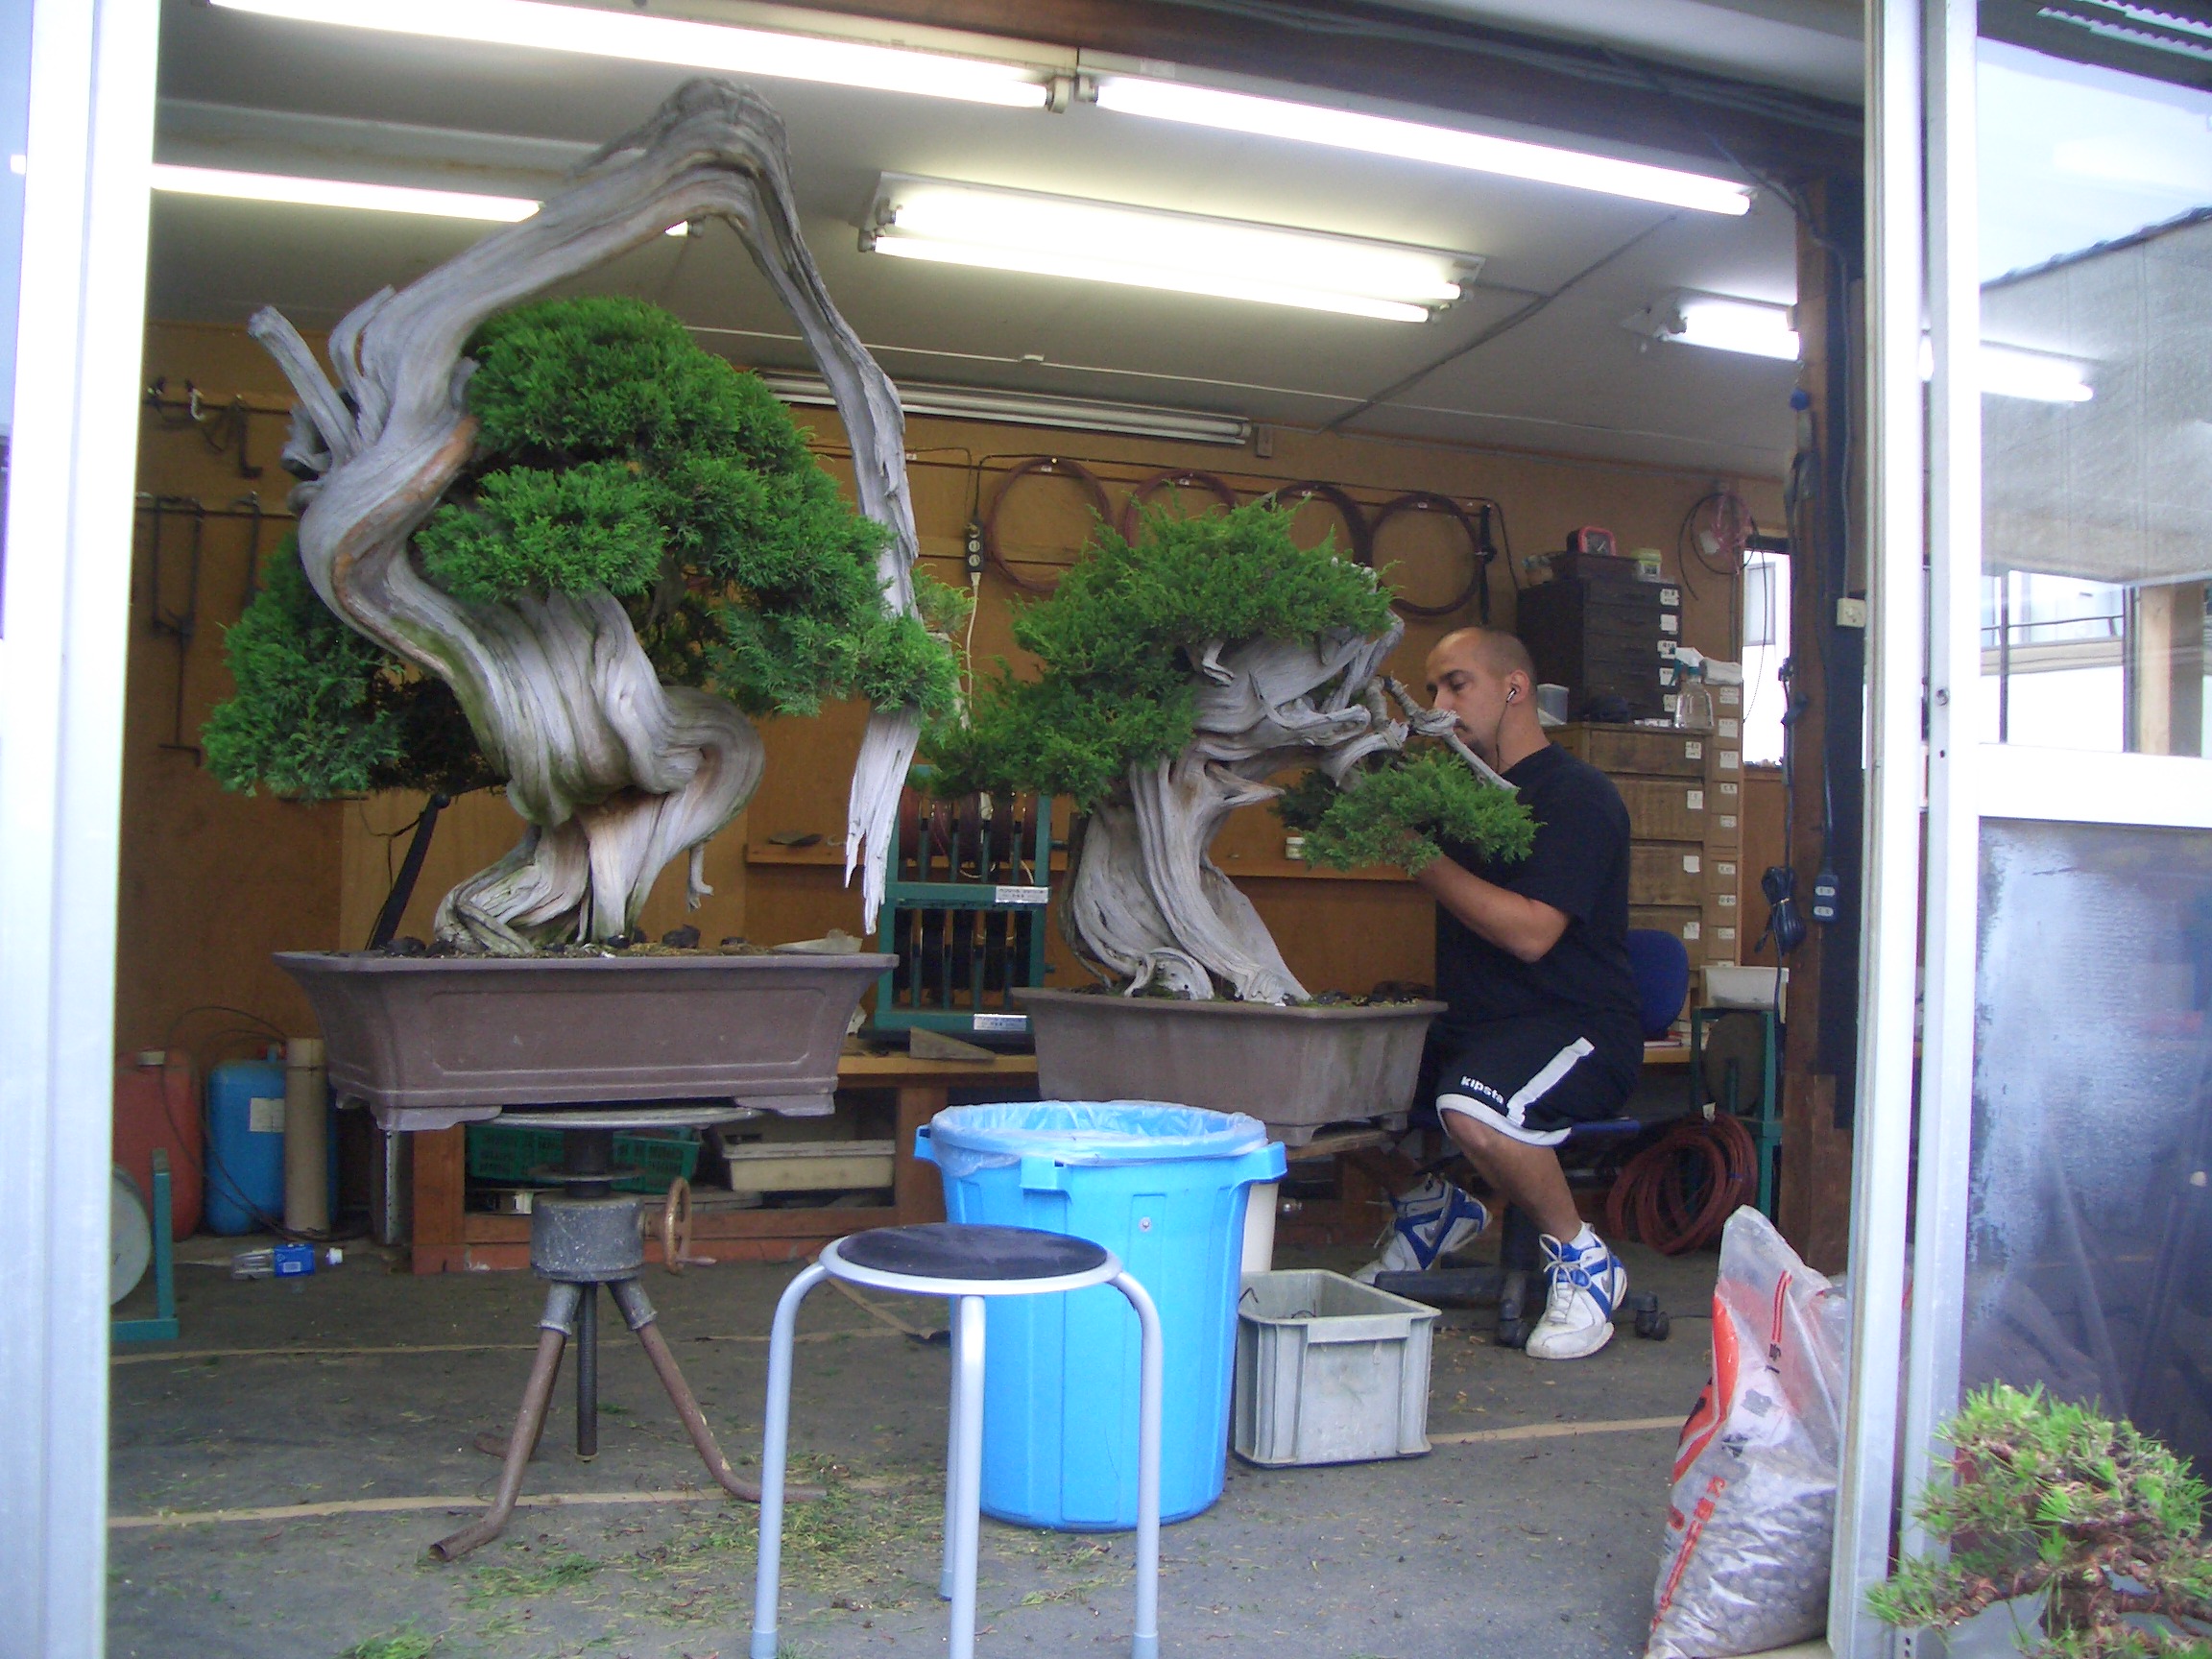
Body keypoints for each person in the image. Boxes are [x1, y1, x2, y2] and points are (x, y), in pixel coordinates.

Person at [1353, 626, 1643, 1360]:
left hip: (1577, 1034)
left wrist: (1418, 857)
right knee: (1325, 1081)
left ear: (1513, 688)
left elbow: (1531, 935)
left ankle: (1583, 1258)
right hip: (1475, 1028)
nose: (1439, 704)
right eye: (1431, 690)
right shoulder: (1455, 795)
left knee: (1476, 1105)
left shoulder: (1580, 797)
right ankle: (1436, 1205)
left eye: (1456, 684)